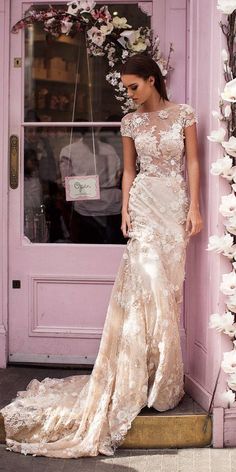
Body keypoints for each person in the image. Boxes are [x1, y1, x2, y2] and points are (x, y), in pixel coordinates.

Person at [0, 53, 203, 458]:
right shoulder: (130, 122)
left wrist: (195, 207)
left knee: (168, 294)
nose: (129, 95)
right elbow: (129, 171)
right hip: (145, 207)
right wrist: (127, 208)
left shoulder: (184, 114)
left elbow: (194, 161)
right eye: (125, 88)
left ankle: (161, 381)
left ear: (152, 80)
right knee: (146, 291)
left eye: (134, 87)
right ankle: (136, 380)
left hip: (174, 206)